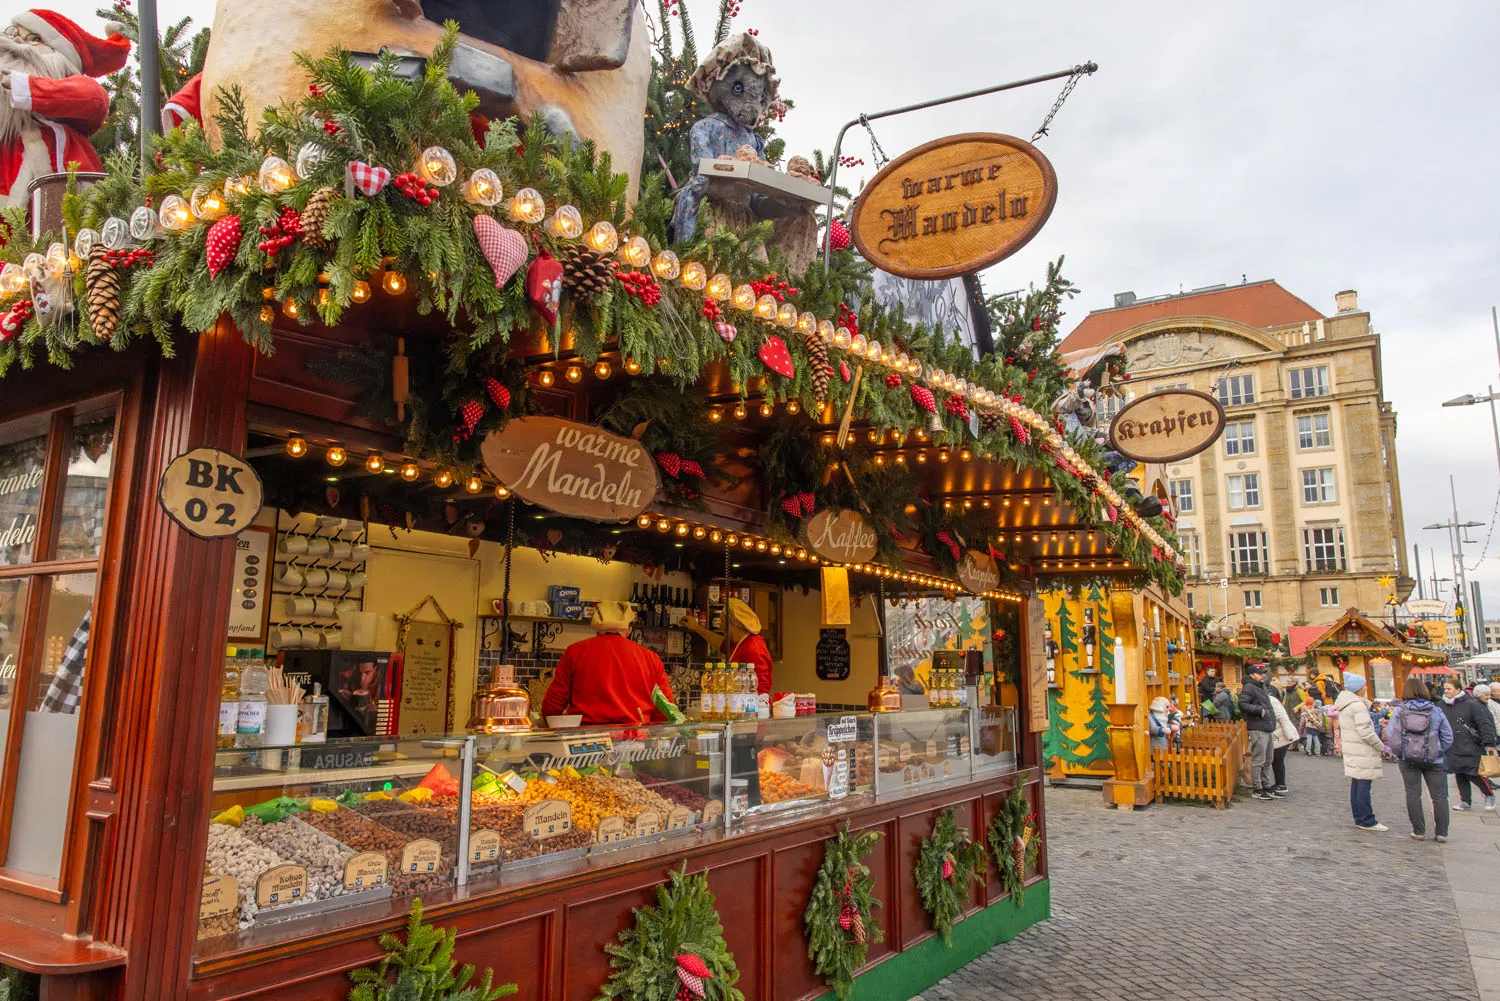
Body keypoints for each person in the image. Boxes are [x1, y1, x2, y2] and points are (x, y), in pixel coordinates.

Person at [542, 601, 674, 726]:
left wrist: (550, 725)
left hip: (586, 740)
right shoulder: (651, 658)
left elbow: (553, 705)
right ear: (628, 630)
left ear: (597, 629)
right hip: (635, 738)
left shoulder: (575, 652)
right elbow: (665, 709)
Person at [1387, 676, 1454, 841]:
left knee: (1412, 793)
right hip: (1434, 759)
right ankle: (1441, 833)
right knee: (1439, 796)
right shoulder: (1436, 710)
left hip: (1408, 757)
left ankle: (1418, 831)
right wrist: (1437, 750)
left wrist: (1401, 751)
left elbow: (1390, 734)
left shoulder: (1400, 710)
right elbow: (1448, 736)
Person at [679, 597, 773, 696]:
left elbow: (761, 688)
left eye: (723, 623)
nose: (721, 627)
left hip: (750, 708)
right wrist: (696, 627)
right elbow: (720, 642)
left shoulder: (753, 647)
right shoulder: (739, 643)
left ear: (731, 623)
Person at [1334, 672, 1387, 831]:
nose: (1365, 688)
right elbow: (1366, 732)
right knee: (1363, 785)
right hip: (1362, 750)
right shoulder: (1357, 706)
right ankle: (1366, 819)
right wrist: (1381, 746)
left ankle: (1359, 816)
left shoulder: (1347, 704)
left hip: (1353, 749)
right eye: (1363, 686)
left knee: (1357, 784)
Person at [1439, 678, 1498, 811]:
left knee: (1474, 772)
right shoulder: (1441, 705)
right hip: (1453, 745)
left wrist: (1489, 742)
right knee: (1459, 772)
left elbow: (1484, 723)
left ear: (1458, 690)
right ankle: (1465, 800)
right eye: (1445, 688)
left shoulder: (1471, 704)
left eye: (1449, 688)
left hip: (1471, 744)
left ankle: (1489, 794)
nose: (1446, 691)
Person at [1239, 663, 1280, 800]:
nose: (1263, 675)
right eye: (1259, 673)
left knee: (1268, 759)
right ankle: (1257, 788)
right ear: (1252, 675)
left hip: (1266, 726)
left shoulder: (1260, 686)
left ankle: (1266, 785)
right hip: (1257, 726)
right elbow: (1243, 704)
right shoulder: (1249, 687)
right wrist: (1259, 710)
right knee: (1259, 759)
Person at [1269, 685, 1298, 793]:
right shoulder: (1269, 701)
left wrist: (1289, 736)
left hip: (1282, 736)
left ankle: (1281, 784)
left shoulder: (1273, 702)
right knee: (1276, 760)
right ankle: (1280, 783)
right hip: (1279, 735)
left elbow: (1283, 719)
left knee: (1278, 760)